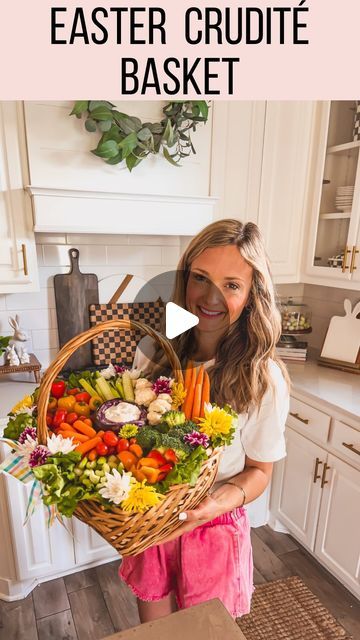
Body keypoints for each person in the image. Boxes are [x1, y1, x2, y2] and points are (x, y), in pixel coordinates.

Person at [119, 218, 290, 622]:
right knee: (158, 633)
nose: (210, 296)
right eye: (200, 277)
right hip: (153, 522)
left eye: (231, 284)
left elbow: (259, 472)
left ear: (251, 296)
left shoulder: (263, 377)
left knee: (203, 633)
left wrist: (213, 504)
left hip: (213, 527)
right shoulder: (153, 352)